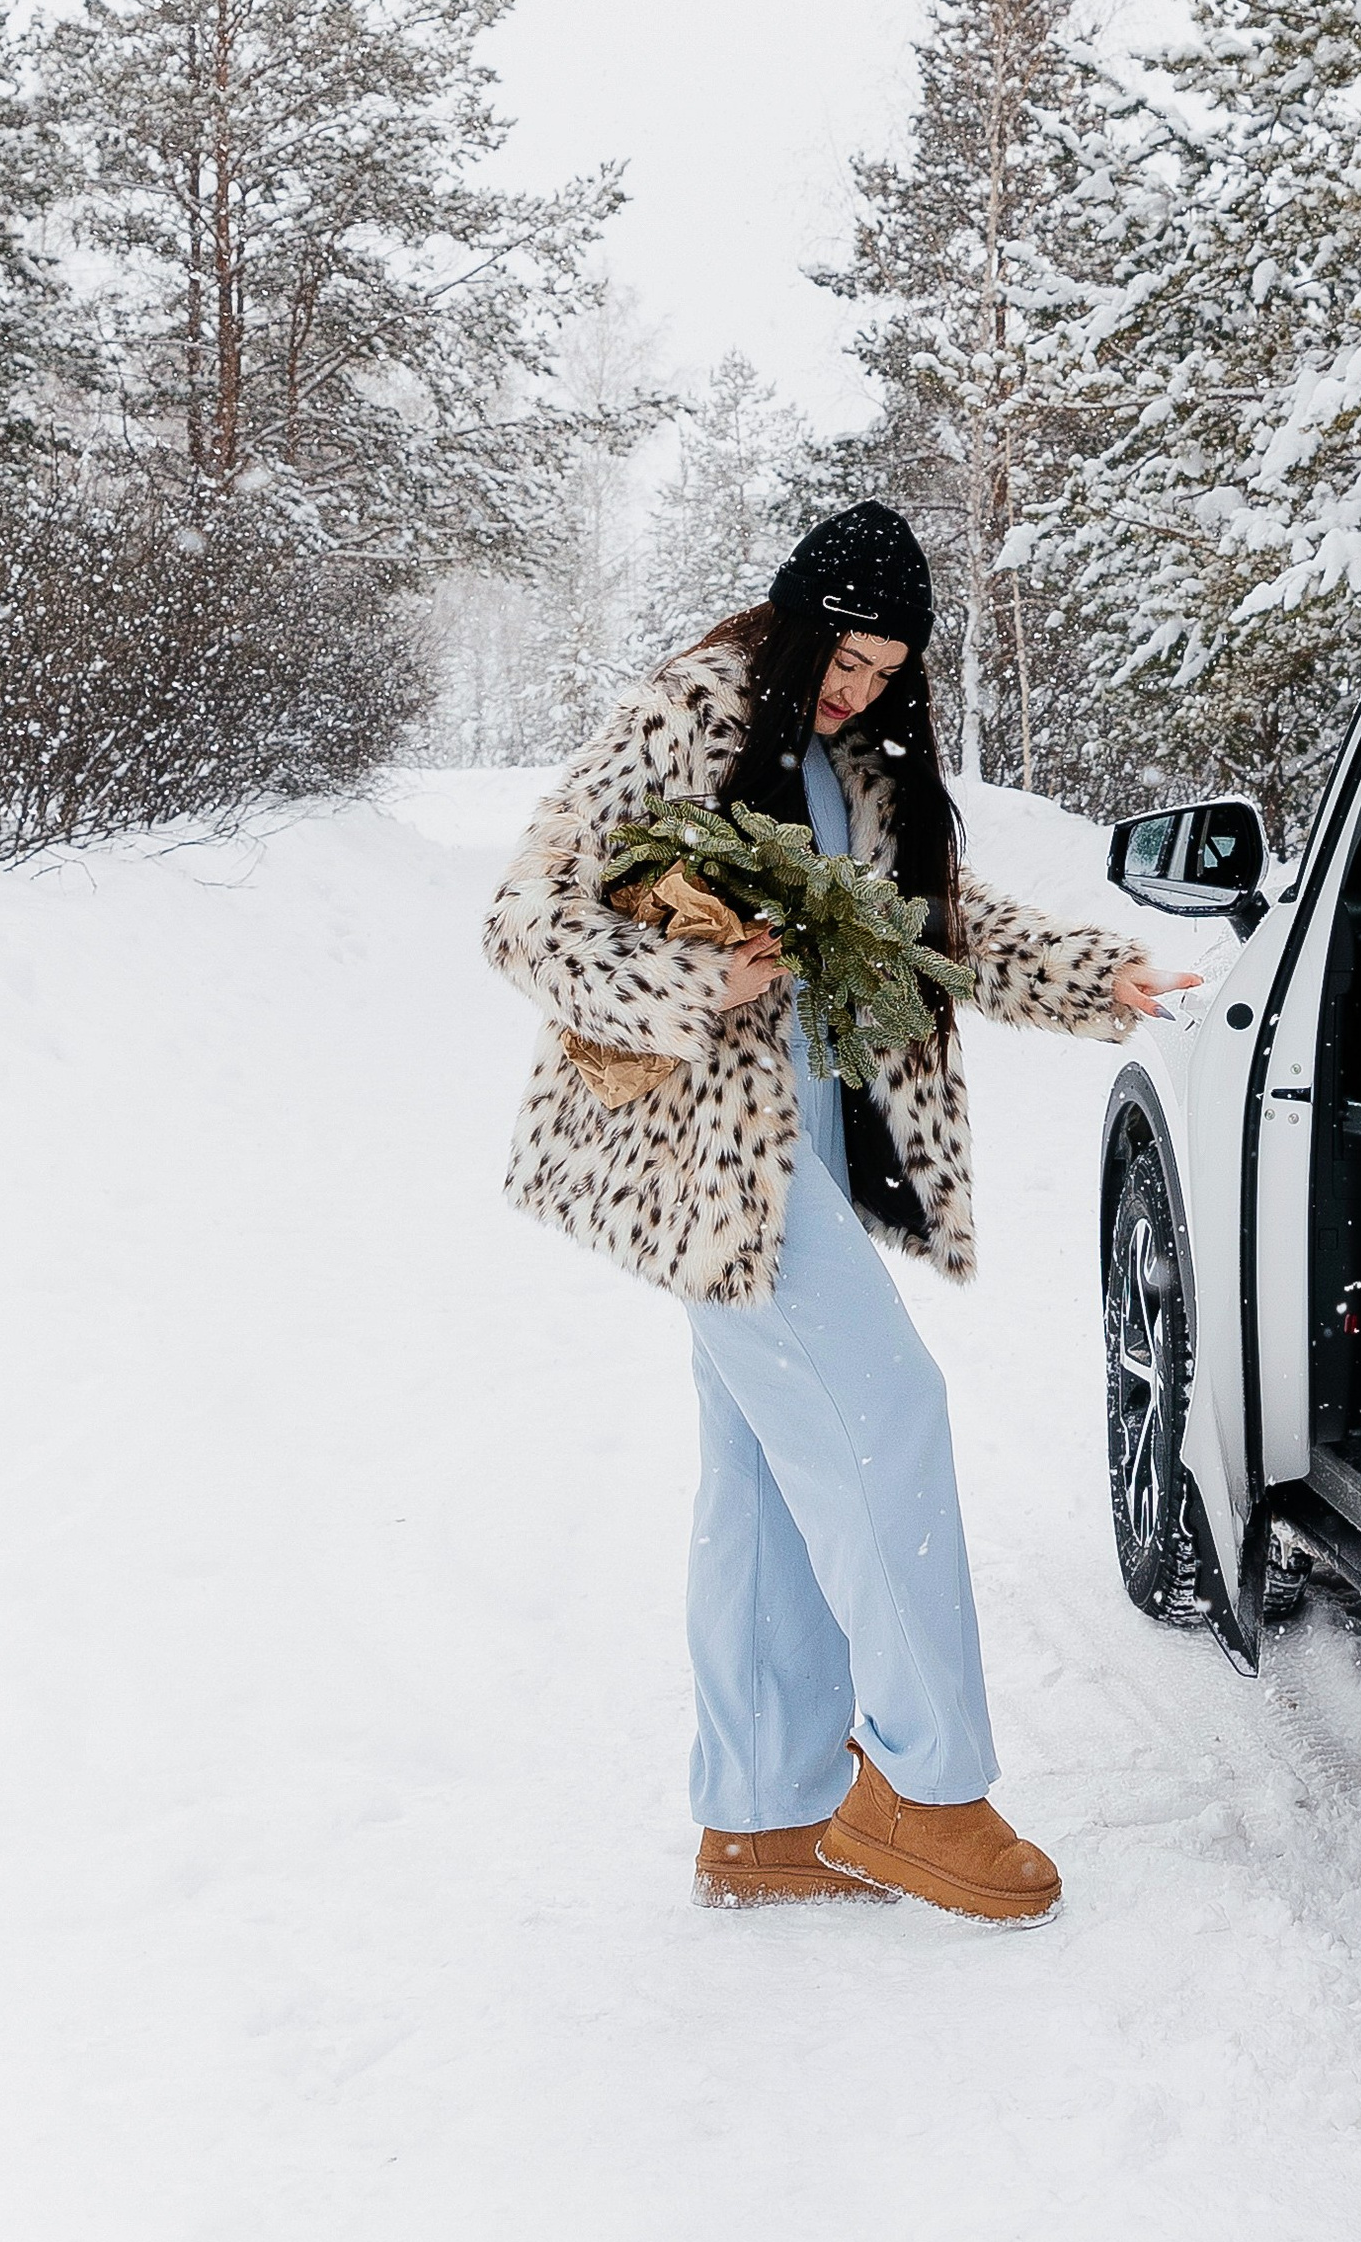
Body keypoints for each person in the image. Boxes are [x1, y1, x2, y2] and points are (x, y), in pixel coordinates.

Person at [482, 502, 1195, 1926]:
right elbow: (525, 913)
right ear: (798, 621)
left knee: (760, 1478)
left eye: (885, 672)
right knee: (889, 1414)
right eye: (844, 660)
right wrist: (699, 985)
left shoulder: (859, 757)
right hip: (705, 1154)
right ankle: (925, 1792)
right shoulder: (690, 713)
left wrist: (1093, 974)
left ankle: (763, 1815)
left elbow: (937, 921)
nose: (858, 691)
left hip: (800, 1140)